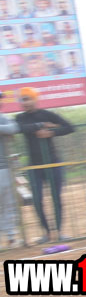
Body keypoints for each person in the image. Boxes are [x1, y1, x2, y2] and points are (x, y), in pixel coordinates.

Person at [15, 87, 74, 243]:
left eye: (27, 99)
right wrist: (41, 125)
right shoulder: (20, 117)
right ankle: (47, 233)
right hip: (34, 166)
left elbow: (70, 127)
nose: (25, 103)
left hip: (53, 162)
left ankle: (59, 232)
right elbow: (21, 128)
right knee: (37, 200)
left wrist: (51, 132)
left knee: (56, 197)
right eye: (22, 100)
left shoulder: (47, 114)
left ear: (35, 99)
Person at [0, 92, 21, 247]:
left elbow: (14, 128)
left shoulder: (2, 118)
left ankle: (11, 237)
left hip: (4, 168)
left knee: (9, 203)